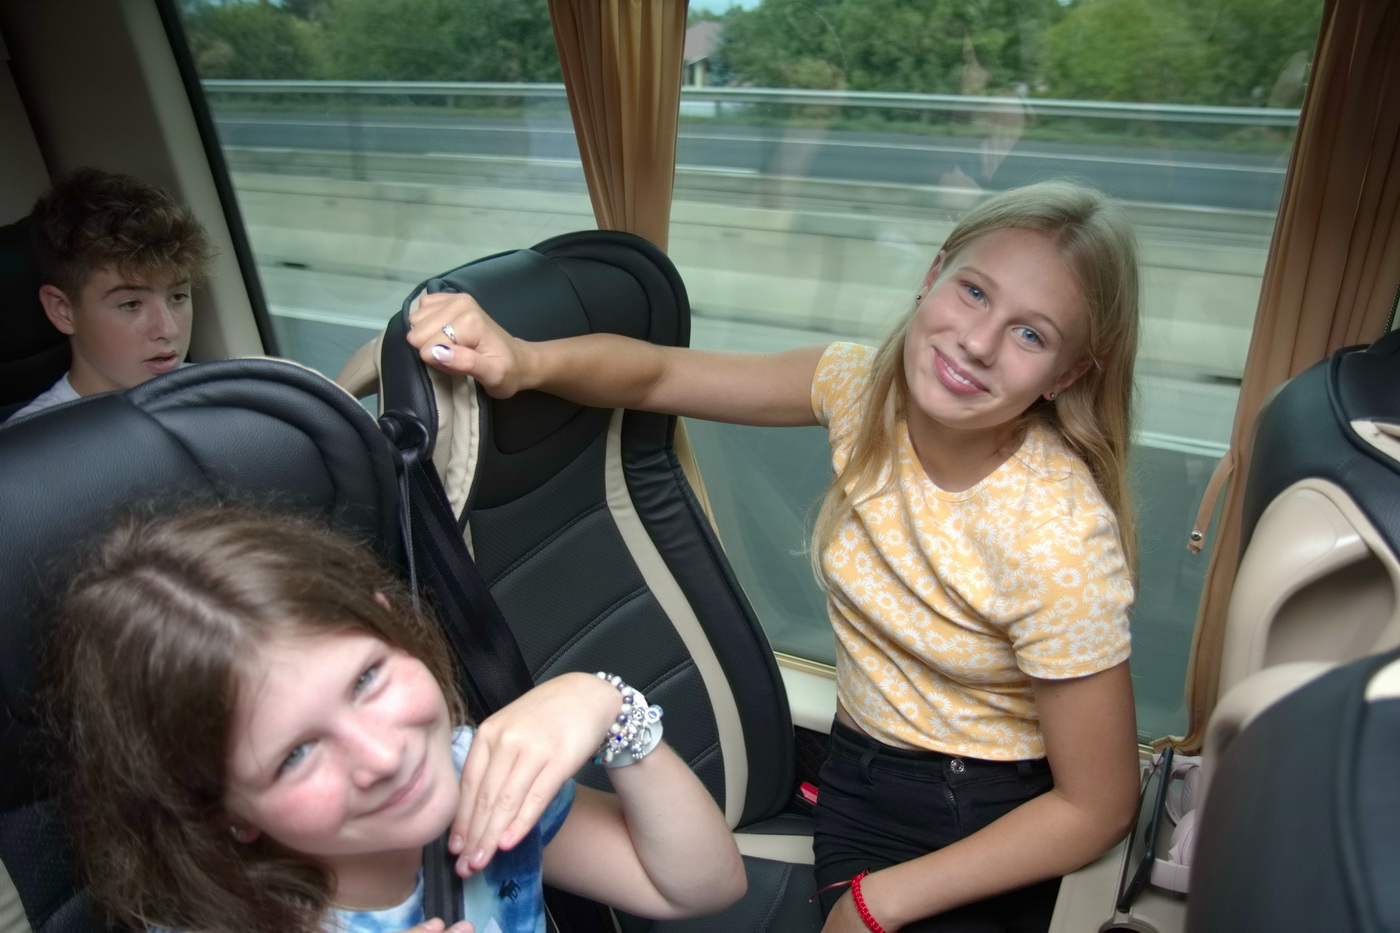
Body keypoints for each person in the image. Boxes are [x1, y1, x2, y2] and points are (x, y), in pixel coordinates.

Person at [406, 180, 1143, 933]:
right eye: (975, 292)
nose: (978, 343)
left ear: (1066, 375)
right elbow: (660, 374)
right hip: (858, 782)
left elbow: (1100, 806)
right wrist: (523, 359)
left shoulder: (1059, 539)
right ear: (934, 273)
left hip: (982, 817)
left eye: (1031, 335)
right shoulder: (861, 389)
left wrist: (877, 903)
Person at [47, 506, 745, 933]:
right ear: (226, 813)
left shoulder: (474, 776)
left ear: (395, 629)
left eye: (366, 679)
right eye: (294, 755)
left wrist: (606, 705)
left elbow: (700, 885)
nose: (382, 756)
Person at [11, 168, 212, 420]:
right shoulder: (37, 438)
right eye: (131, 304)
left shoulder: (227, 390)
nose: (168, 330)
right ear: (63, 310)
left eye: (178, 297)